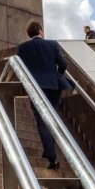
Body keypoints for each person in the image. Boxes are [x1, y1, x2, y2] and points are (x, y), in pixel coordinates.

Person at [17, 21, 72, 170]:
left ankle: (51, 155)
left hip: (35, 87)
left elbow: (20, 69)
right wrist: (56, 76)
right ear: (40, 31)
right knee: (52, 117)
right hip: (53, 86)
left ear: (30, 34)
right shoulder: (52, 44)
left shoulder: (22, 48)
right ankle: (51, 151)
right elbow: (63, 65)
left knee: (41, 120)